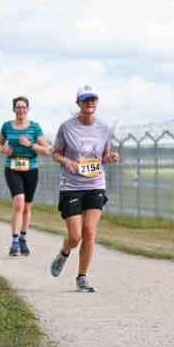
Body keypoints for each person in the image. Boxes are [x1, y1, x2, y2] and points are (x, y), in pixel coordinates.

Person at [49, 84, 120, 291]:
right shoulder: (67, 127)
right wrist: (65, 161)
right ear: (78, 103)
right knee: (75, 236)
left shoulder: (104, 128)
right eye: (86, 100)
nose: (90, 103)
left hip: (95, 183)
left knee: (89, 231)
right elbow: (55, 152)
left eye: (93, 100)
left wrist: (111, 157)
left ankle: (82, 276)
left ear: (96, 103)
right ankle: (64, 252)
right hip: (71, 185)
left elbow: (103, 156)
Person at [0, 96, 50, 256]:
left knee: (27, 206)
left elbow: (46, 150)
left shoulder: (35, 127)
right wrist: (3, 150)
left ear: (28, 109)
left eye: (24, 107)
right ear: (14, 109)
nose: (21, 110)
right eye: (18, 107)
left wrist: (30, 145)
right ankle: (14, 241)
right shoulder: (7, 126)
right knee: (19, 203)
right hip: (12, 168)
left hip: (31, 169)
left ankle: (23, 238)